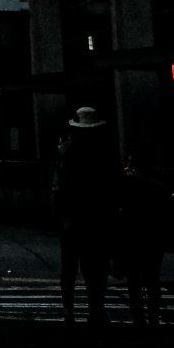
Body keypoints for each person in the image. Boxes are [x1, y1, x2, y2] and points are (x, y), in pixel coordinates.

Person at [53, 105, 120, 326]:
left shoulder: (67, 153)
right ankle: (95, 307)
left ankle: (69, 309)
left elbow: (59, 188)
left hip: (74, 217)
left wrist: (62, 215)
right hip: (97, 217)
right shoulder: (106, 153)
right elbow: (114, 186)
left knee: (71, 267)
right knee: (96, 266)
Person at [119, 152, 172, 330]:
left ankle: (138, 316)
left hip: (133, 236)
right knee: (152, 279)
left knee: (134, 279)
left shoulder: (127, 185)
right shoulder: (159, 188)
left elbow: (121, 212)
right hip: (153, 237)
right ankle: (153, 316)